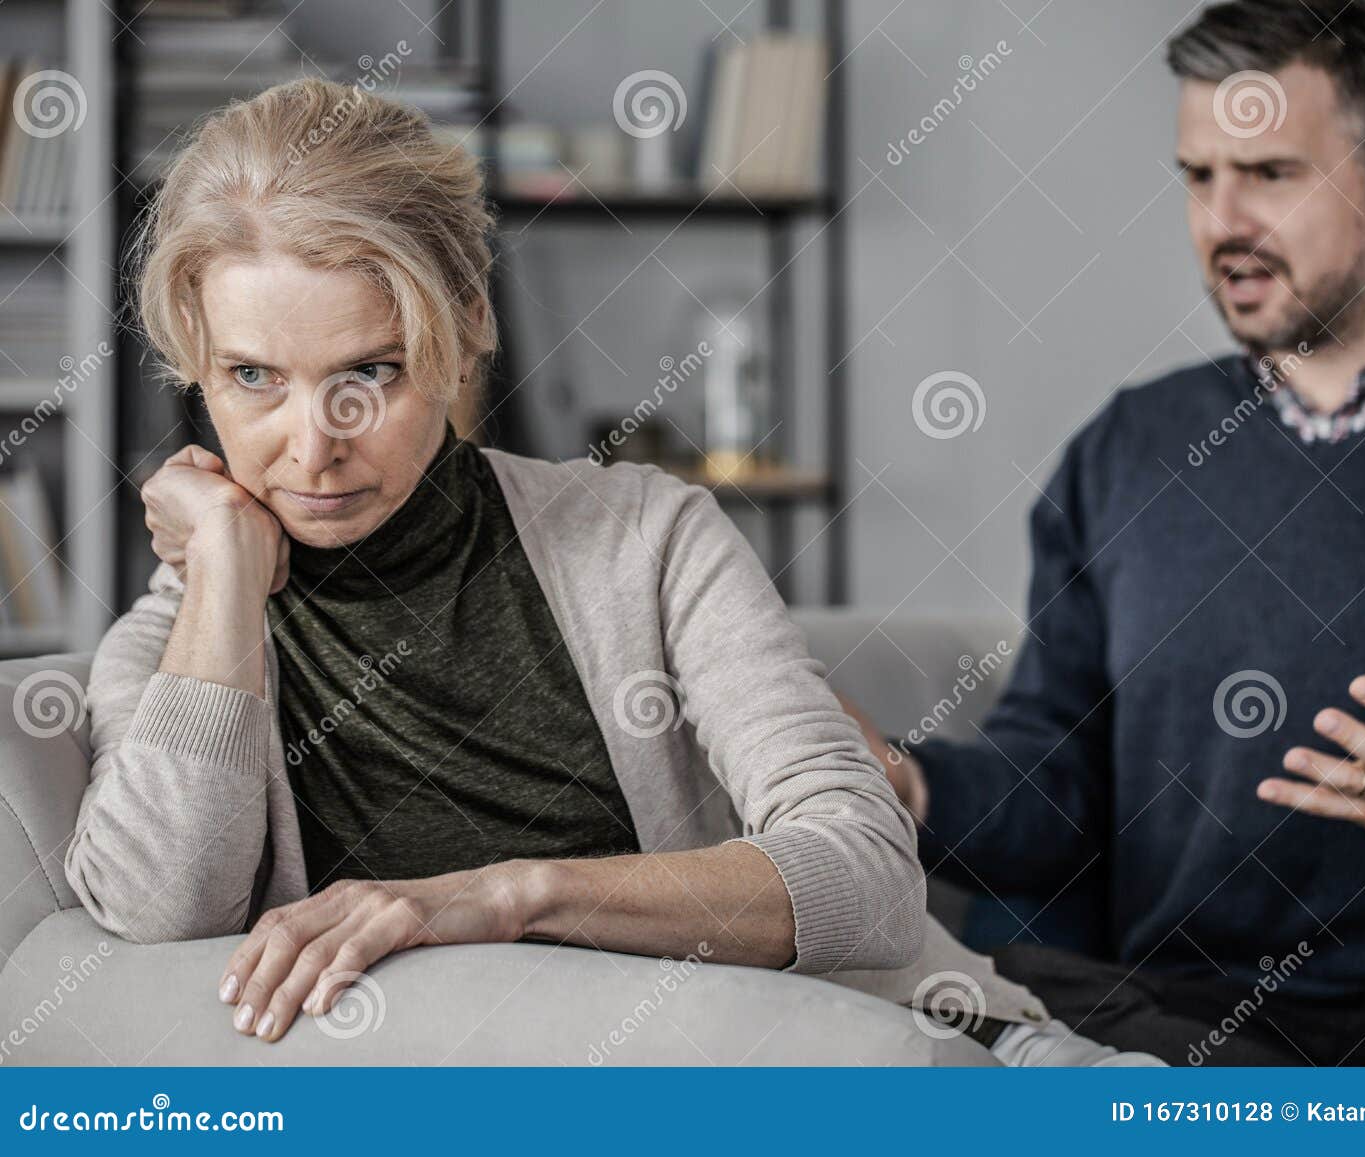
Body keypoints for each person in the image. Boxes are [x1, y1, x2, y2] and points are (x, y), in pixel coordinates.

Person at [66, 76, 1154, 1067]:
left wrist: (500, 897)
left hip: (876, 1055)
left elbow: (865, 874)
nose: (312, 445)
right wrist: (217, 575)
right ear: (194, 367)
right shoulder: (175, 647)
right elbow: (162, 913)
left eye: (370, 372)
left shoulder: (648, 536)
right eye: (251, 376)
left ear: (469, 321)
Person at [843, 0, 1365, 1065]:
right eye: (1199, 177)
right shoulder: (1127, 447)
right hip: (1178, 1019)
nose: (1221, 221)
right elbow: (1051, 786)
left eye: (1271, 173)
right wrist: (904, 780)